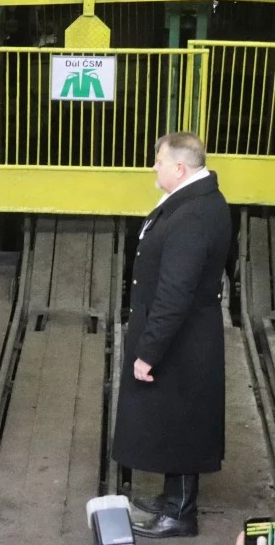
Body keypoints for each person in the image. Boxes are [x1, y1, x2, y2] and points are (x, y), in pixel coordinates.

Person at [112, 132, 231, 539]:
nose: (154, 167)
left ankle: (180, 513)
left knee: (182, 420)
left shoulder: (193, 215)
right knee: (176, 416)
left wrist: (148, 351)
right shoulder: (198, 201)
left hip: (182, 338)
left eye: (158, 161)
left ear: (179, 168)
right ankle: (172, 499)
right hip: (187, 334)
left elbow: (175, 292)